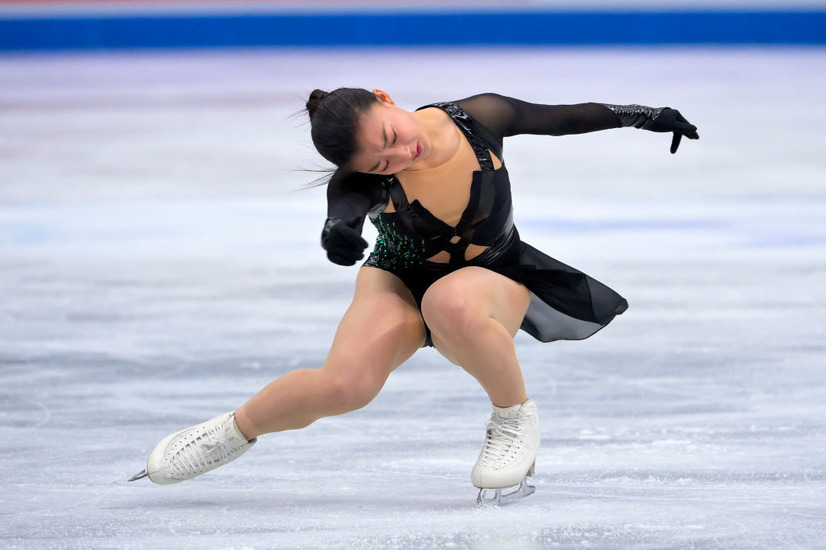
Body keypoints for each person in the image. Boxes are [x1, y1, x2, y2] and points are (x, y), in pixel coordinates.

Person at [129, 89, 698, 504]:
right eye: (381, 163)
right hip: (398, 276)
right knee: (344, 385)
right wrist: (339, 230)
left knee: (449, 302)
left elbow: (560, 118)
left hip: (492, 274)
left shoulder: (480, 117)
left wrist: (645, 117)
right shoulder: (360, 178)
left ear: (386, 99)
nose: (401, 154)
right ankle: (233, 430)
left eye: (391, 136)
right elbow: (347, 205)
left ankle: (513, 418)